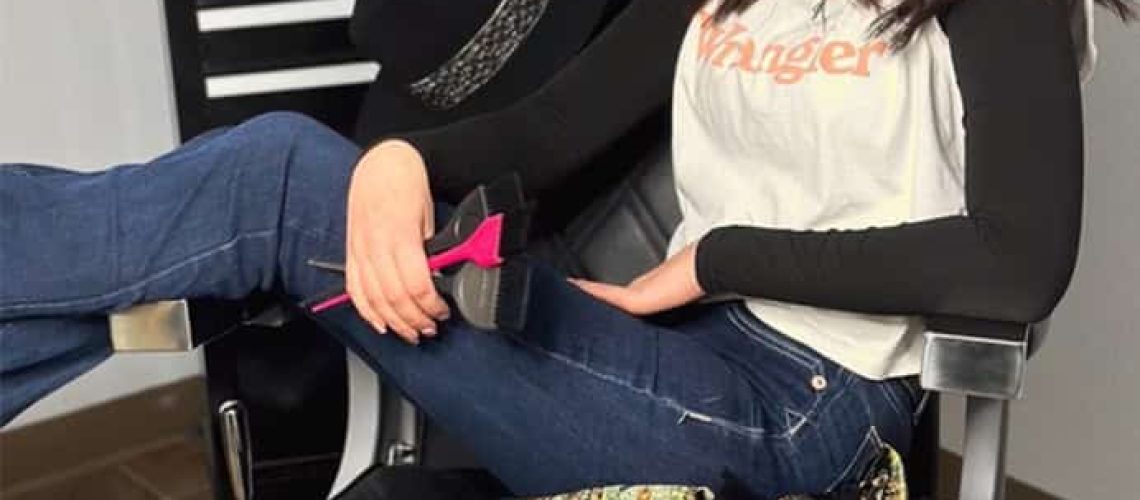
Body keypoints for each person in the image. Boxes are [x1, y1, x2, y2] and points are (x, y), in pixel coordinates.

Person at [0, 0, 1130, 497]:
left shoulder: (997, 2)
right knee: (301, 186)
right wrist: (404, 162)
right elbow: (547, 129)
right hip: (671, 357)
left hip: (802, 410)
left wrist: (715, 258)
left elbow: (1015, 261)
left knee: (276, 177)